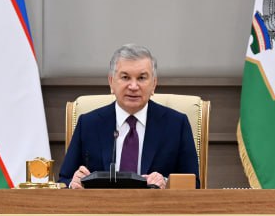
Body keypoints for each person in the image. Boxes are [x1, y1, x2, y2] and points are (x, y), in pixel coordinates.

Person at [58, 44, 200, 188]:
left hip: (154, 202)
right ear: (111, 82)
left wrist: (165, 183)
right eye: (125, 77)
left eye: (141, 78)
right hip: (101, 202)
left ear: (154, 84)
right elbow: (64, 180)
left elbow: (193, 184)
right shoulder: (88, 124)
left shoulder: (176, 125)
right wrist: (73, 183)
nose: (133, 86)